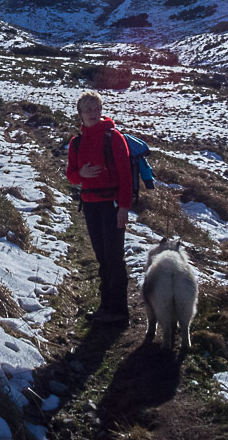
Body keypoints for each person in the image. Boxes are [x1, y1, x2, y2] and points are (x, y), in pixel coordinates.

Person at [66, 90, 133, 324]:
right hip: (91, 205)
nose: (93, 113)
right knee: (102, 258)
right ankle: (107, 307)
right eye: (88, 109)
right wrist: (80, 173)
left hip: (112, 205)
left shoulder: (113, 138)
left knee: (114, 257)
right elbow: (71, 176)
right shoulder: (76, 142)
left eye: (96, 108)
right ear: (80, 113)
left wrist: (124, 207)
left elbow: (126, 176)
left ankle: (119, 311)